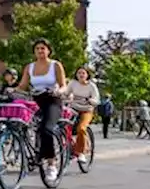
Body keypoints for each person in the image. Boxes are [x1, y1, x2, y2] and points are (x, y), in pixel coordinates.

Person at [16, 38, 67, 181]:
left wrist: (59, 91)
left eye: (43, 48)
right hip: (36, 101)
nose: (40, 51)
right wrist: (11, 90)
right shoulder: (30, 67)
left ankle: (51, 164)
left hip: (52, 101)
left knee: (47, 128)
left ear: (48, 50)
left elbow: (63, 85)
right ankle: (35, 154)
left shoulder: (55, 65)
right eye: (37, 48)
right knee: (26, 126)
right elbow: (22, 86)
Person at [65, 66, 100, 158]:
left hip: (86, 110)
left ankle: (81, 152)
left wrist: (90, 100)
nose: (81, 75)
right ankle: (69, 147)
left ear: (87, 75)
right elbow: (66, 94)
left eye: (83, 73)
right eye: (79, 73)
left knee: (81, 128)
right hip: (73, 108)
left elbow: (96, 101)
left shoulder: (91, 86)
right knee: (64, 126)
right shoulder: (72, 83)